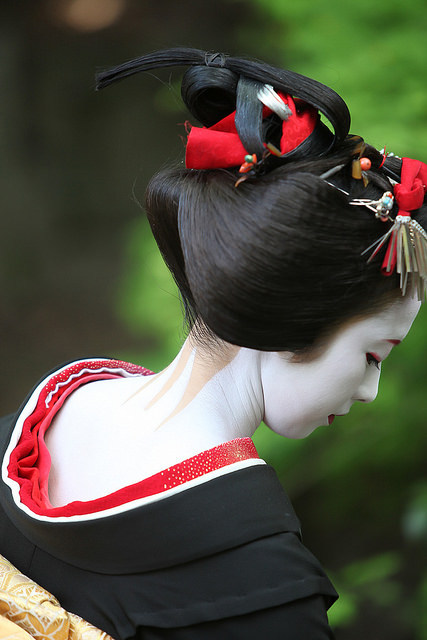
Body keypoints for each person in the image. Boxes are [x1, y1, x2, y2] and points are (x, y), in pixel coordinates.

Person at [0, 47, 426, 639]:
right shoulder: (260, 588)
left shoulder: (42, 418)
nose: (369, 391)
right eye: (373, 355)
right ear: (292, 313)